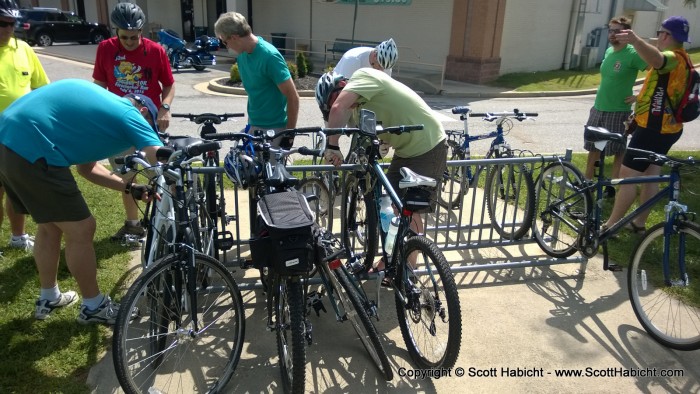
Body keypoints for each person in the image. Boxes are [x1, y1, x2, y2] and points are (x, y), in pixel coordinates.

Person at [0, 79, 163, 324]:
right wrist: (170, 182)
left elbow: (87, 169)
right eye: (148, 123)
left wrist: (131, 187)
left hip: (8, 138)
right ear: (143, 112)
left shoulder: (102, 114)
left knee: (50, 225)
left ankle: (49, 296)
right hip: (34, 145)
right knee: (82, 228)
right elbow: (155, 153)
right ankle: (93, 307)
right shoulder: (130, 113)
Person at [316, 69, 447, 272]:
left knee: (410, 208)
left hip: (428, 145)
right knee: (391, 204)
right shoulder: (360, 107)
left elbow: (338, 109)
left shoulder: (364, 76)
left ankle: (409, 271)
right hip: (406, 151)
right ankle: (391, 262)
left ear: (342, 86)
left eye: (333, 98)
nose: (336, 104)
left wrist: (332, 146)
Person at [92, 2, 175, 241]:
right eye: (125, 37)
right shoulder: (105, 49)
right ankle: (133, 225)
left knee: (161, 173)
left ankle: (169, 221)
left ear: (142, 31)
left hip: (147, 123)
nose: (129, 42)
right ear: (115, 31)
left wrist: (165, 108)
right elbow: (99, 87)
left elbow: (169, 84)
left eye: (134, 37)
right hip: (117, 122)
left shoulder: (156, 50)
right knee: (126, 176)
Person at [604, 16, 692, 233]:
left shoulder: (672, 57)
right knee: (650, 174)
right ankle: (639, 223)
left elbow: (658, 60)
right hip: (668, 129)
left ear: (665, 35)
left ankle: (610, 225)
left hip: (653, 129)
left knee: (627, 176)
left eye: (661, 33)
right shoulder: (685, 58)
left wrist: (635, 40)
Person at [0, 0, 49, 251]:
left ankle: (18, 237)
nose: (7, 28)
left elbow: (41, 88)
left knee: (14, 189)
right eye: (2, 23)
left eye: (12, 23)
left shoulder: (24, 49)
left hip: (18, 134)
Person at [214, 12, 299, 148]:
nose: (226, 46)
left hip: (275, 130)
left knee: (272, 169)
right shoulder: (242, 56)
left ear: (235, 37)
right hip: (253, 125)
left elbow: (293, 96)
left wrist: (289, 135)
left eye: (225, 41)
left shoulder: (270, 57)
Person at [584, 16, 647, 184]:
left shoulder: (633, 54)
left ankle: (614, 185)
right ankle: (587, 182)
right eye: (610, 30)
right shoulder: (609, 51)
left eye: (617, 31)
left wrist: (640, 96)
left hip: (619, 110)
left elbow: (656, 71)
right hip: (598, 108)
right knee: (594, 147)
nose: (612, 34)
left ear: (626, 33)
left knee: (619, 150)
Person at [333, 38, 398, 78]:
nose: (381, 70)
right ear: (375, 55)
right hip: (337, 87)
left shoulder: (386, 66)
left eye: (384, 68)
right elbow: (344, 89)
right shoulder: (353, 60)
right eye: (379, 66)